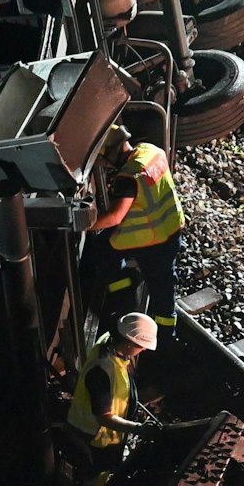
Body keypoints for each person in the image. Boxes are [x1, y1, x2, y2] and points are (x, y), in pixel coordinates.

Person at [88, 126, 186, 340]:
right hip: (171, 227)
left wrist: (85, 225)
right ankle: (166, 332)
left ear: (111, 153)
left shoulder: (129, 177)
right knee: (164, 285)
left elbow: (115, 216)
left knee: (103, 248)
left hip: (150, 239)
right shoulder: (151, 152)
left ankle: (125, 300)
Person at [67, 312, 159, 483]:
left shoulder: (111, 341)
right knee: (95, 476)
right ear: (129, 343)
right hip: (93, 437)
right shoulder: (101, 372)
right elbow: (104, 418)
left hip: (103, 435)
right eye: (141, 345)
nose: (144, 349)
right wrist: (137, 428)